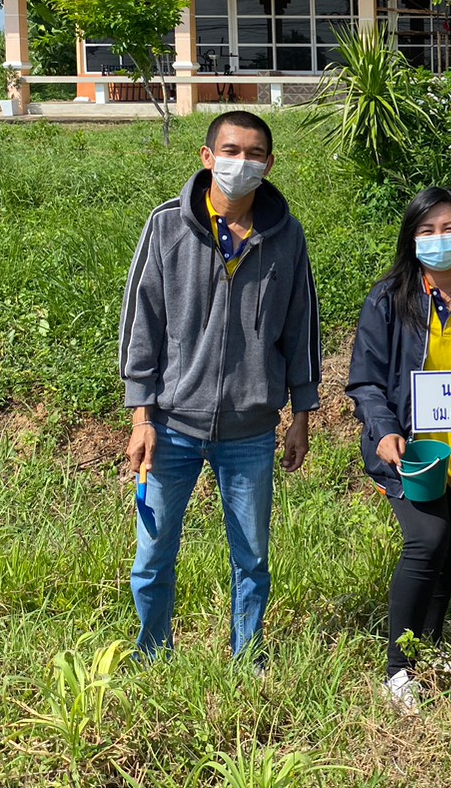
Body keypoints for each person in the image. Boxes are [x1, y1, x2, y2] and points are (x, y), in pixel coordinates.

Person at [122, 110, 321, 662]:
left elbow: (301, 326)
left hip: (250, 432)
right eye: (231, 151)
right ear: (208, 157)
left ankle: (247, 658)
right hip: (171, 427)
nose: (242, 163)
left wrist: (301, 414)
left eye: (254, 154)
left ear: (269, 164)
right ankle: (153, 654)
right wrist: (141, 417)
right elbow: (142, 322)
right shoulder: (168, 226)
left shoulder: (285, 235)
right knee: (152, 558)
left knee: (252, 559)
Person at [347, 187, 451, 716]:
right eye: (427, 230)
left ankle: (429, 649)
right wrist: (383, 430)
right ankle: (397, 671)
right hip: (410, 452)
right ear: (411, 238)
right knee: (428, 539)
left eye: (448, 228)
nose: (438, 239)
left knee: (448, 552)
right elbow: (366, 380)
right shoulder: (388, 300)